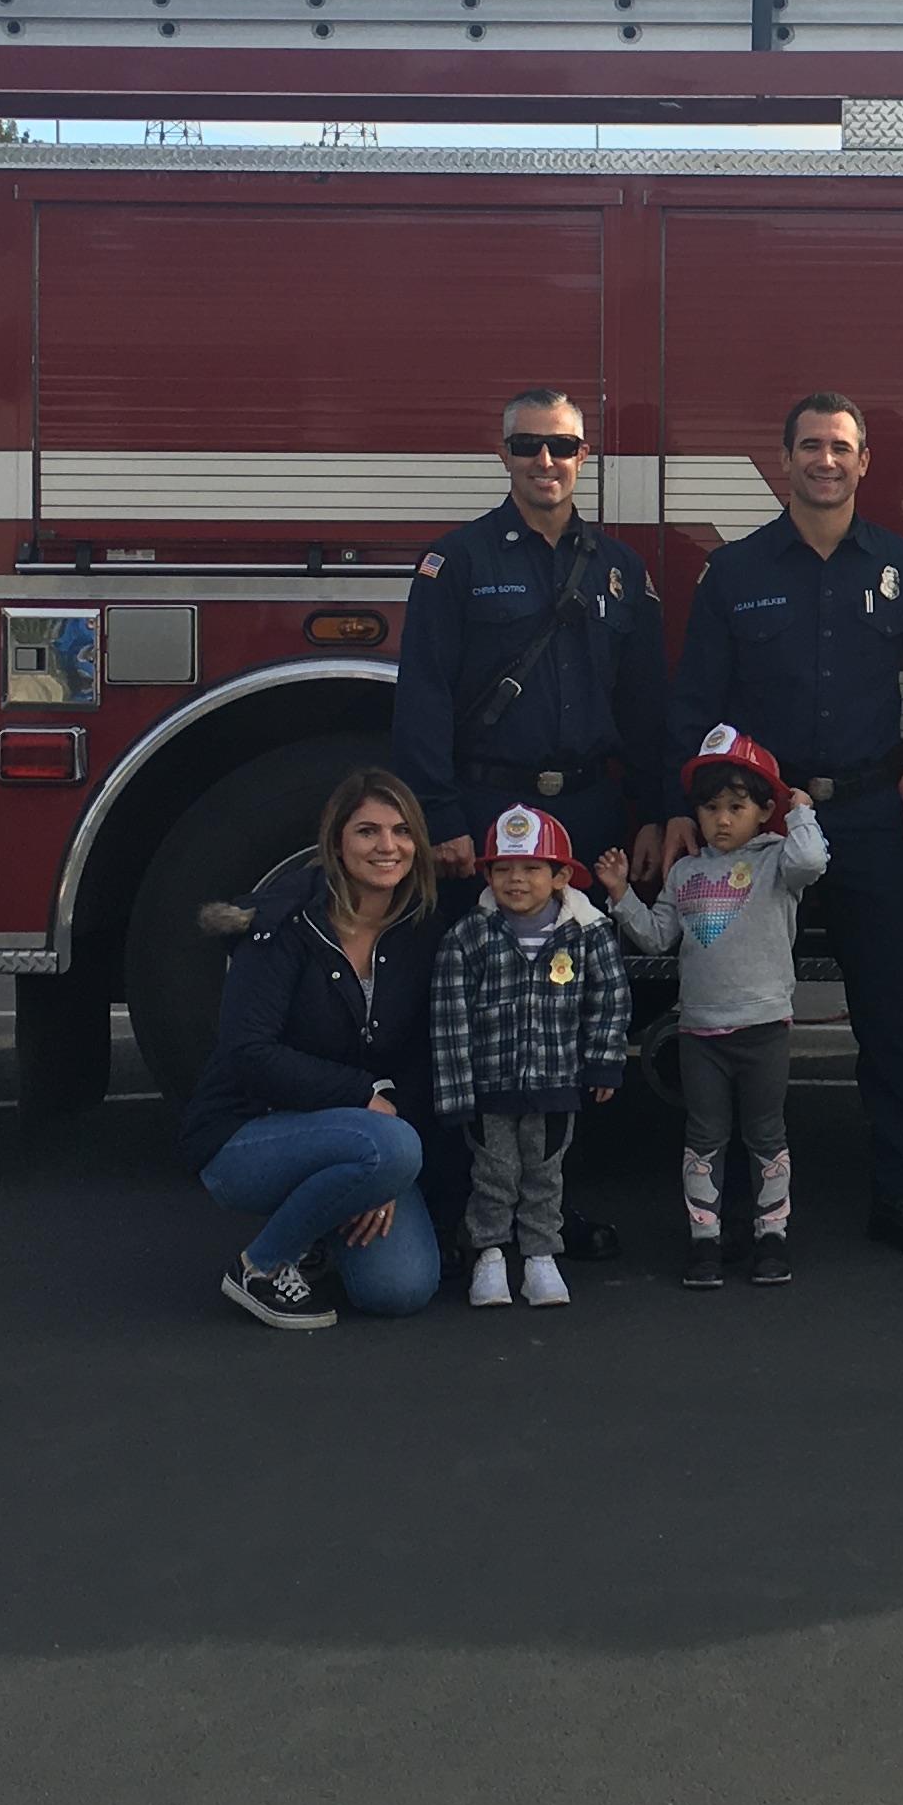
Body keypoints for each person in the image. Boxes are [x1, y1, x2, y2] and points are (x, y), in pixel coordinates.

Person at [669, 391, 903, 1262]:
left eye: (841, 447)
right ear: (784, 459)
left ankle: (901, 1200)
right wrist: (682, 809)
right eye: (810, 446)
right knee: (734, 1020)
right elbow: (695, 699)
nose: (825, 460)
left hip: (871, 814)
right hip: (758, 830)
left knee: (889, 1015)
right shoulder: (736, 571)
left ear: (864, 462)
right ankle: (719, 1211)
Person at [392, 385, 667, 1258]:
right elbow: (424, 695)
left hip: (584, 812)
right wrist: (438, 813)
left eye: (563, 446)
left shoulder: (620, 569)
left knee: (568, 1015)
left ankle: (549, 1215)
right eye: (527, 446)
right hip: (485, 812)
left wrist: (657, 809)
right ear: (501, 453)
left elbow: (648, 705)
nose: (545, 463)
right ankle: (453, 1210)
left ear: (586, 455)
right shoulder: (456, 562)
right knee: (469, 1011)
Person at [183, 768, 448, 1328]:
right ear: (336, 842)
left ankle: (318, 1228)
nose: (387, 847)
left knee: (400, 1290)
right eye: (367, 831)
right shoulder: (282, 927)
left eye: (402, 832)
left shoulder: (421, 932)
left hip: (364, 1137)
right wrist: (369, 1112)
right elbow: (246, 1051)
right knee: (391, 1147)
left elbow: (424, 1057)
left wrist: (387, 1172)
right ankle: (260, 1266)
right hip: (245, 1135)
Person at [600, 727, 831, 1288]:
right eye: (710, 808)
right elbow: (657, 939)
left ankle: (770, 1236)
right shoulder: (684, 873)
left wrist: (800, 811)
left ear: (764, 812)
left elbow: (814, 861)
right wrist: (620, 894)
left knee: (766, 1135)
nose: (722, 819)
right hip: (700, 1032)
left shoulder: (780, 862)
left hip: (764, 1028)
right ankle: (705, 1240)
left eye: (737, 807)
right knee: (704, 1137)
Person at [427, 800, 632, 1311]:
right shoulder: (467, 937)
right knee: (492, 1173)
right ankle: (490, 1256)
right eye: (503, 869)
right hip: (490, 1088)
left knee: (545, 1172)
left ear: (561, 875)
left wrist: (603, 1062)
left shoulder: (588, 933)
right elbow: (448, 1017)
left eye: (531, 868)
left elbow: (609, 999)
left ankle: (542, 1257)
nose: (516, 880)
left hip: (555, 1082)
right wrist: (455, 1093)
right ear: (488, 875)